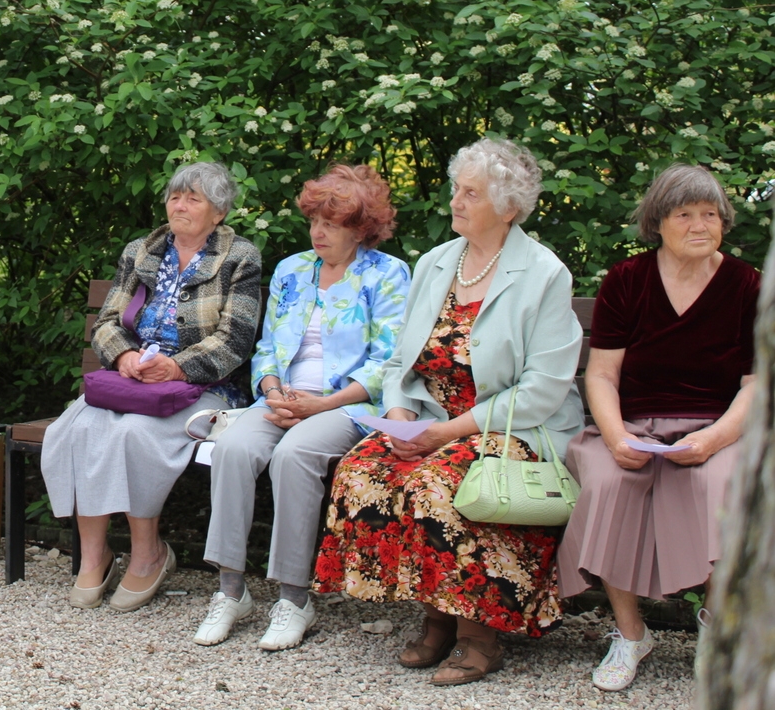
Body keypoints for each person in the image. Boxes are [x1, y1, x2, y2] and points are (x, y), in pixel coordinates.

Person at [312, 138, 584, 686]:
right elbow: (397, 361)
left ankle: (479, 634)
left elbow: (541, 388)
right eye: (456, 189)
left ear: (508, 207)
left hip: (509, 425)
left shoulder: (543, 274)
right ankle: (435, 614)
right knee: (364, 469)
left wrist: (445, 434)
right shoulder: (438, 262)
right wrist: (399, 413)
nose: (455, 202)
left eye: (471, 194)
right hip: (429, 416)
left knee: (440, 483)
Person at [557, 164, 759, 691]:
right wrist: (618, 435)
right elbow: (601, 374)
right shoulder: (628, 280)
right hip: (631, 424)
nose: (699, 225)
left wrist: (714, 439)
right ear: (658, 222)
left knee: (722, 487)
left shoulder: (747, 284)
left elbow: (757, 384)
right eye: (684, 214)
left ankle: (716, 629)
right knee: (609, 482)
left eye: (710, 214)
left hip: (716, 429)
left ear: (724, 221)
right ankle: (630, 635)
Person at [197, 165, 410, 649]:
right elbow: (267, 345)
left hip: (347, 405)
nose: (318, 232)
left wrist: (324, 404)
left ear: (361, 229)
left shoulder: (388, 274)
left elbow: (389, 362)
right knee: (231, 448)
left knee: (294, 457)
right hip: (282, 399)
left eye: (332, 224)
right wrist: (272, 389)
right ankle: (231, 590)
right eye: (315, 220)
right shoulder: (293, 270)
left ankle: (294, 599)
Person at [41, 161, 261, 612]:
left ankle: (149, 555)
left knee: (133, 435)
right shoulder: (143, 250)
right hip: (133, 382)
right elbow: (106, 321)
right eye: (175, 196)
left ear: (218, 212)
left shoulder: (240, 257)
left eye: (193, 198)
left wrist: (176, 367)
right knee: (76, 428)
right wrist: (123, 355)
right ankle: (94, 553)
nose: (180, 206)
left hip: (202, 387)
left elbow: (235, 339)